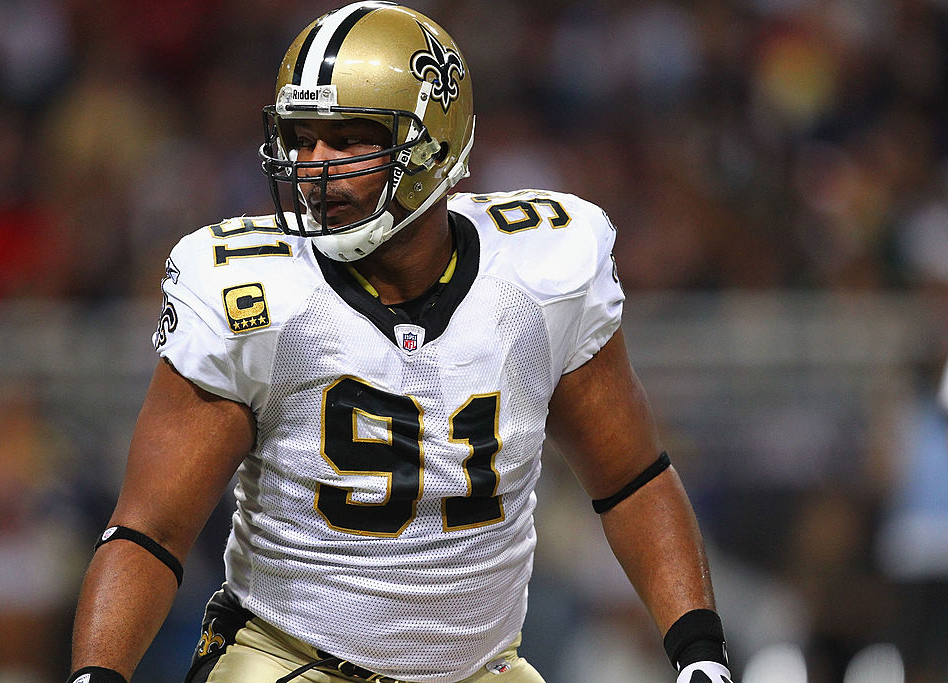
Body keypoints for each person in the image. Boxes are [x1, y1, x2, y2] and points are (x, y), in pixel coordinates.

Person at [66, 3, 733, 682]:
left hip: (480, 669)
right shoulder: (251, 289)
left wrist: (700, 653)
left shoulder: (544, 269)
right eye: (300, 139)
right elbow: (150, 531)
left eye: (348, 139)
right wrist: (98, 674)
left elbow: (633, 479)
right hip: (290, 659)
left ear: (433, 147)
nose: (312, 167)